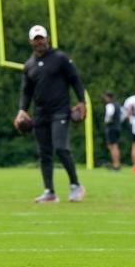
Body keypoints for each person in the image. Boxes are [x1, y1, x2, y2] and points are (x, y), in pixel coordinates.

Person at [14, 25, 86, 203]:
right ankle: (50, 192)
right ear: (31, 41)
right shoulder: (29, 64)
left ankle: (76, 185)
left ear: (47, 38)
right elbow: (26, 91)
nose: (39, 41)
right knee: (44, 153)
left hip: (60, 110)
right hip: (40, 114)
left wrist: (81, 102)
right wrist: (22, 110)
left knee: (61, 148)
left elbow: (75, 79)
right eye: (36, 39)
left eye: (42, 38)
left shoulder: (60, 58)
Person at [100, 90, 122, 172]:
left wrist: (106, 122)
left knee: (113, 146)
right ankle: (116, 164)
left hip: (111, 127)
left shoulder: (109, 105)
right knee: (114, 146)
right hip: (117, 127)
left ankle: (116, 165)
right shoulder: (117, 105)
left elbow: (109, 114)